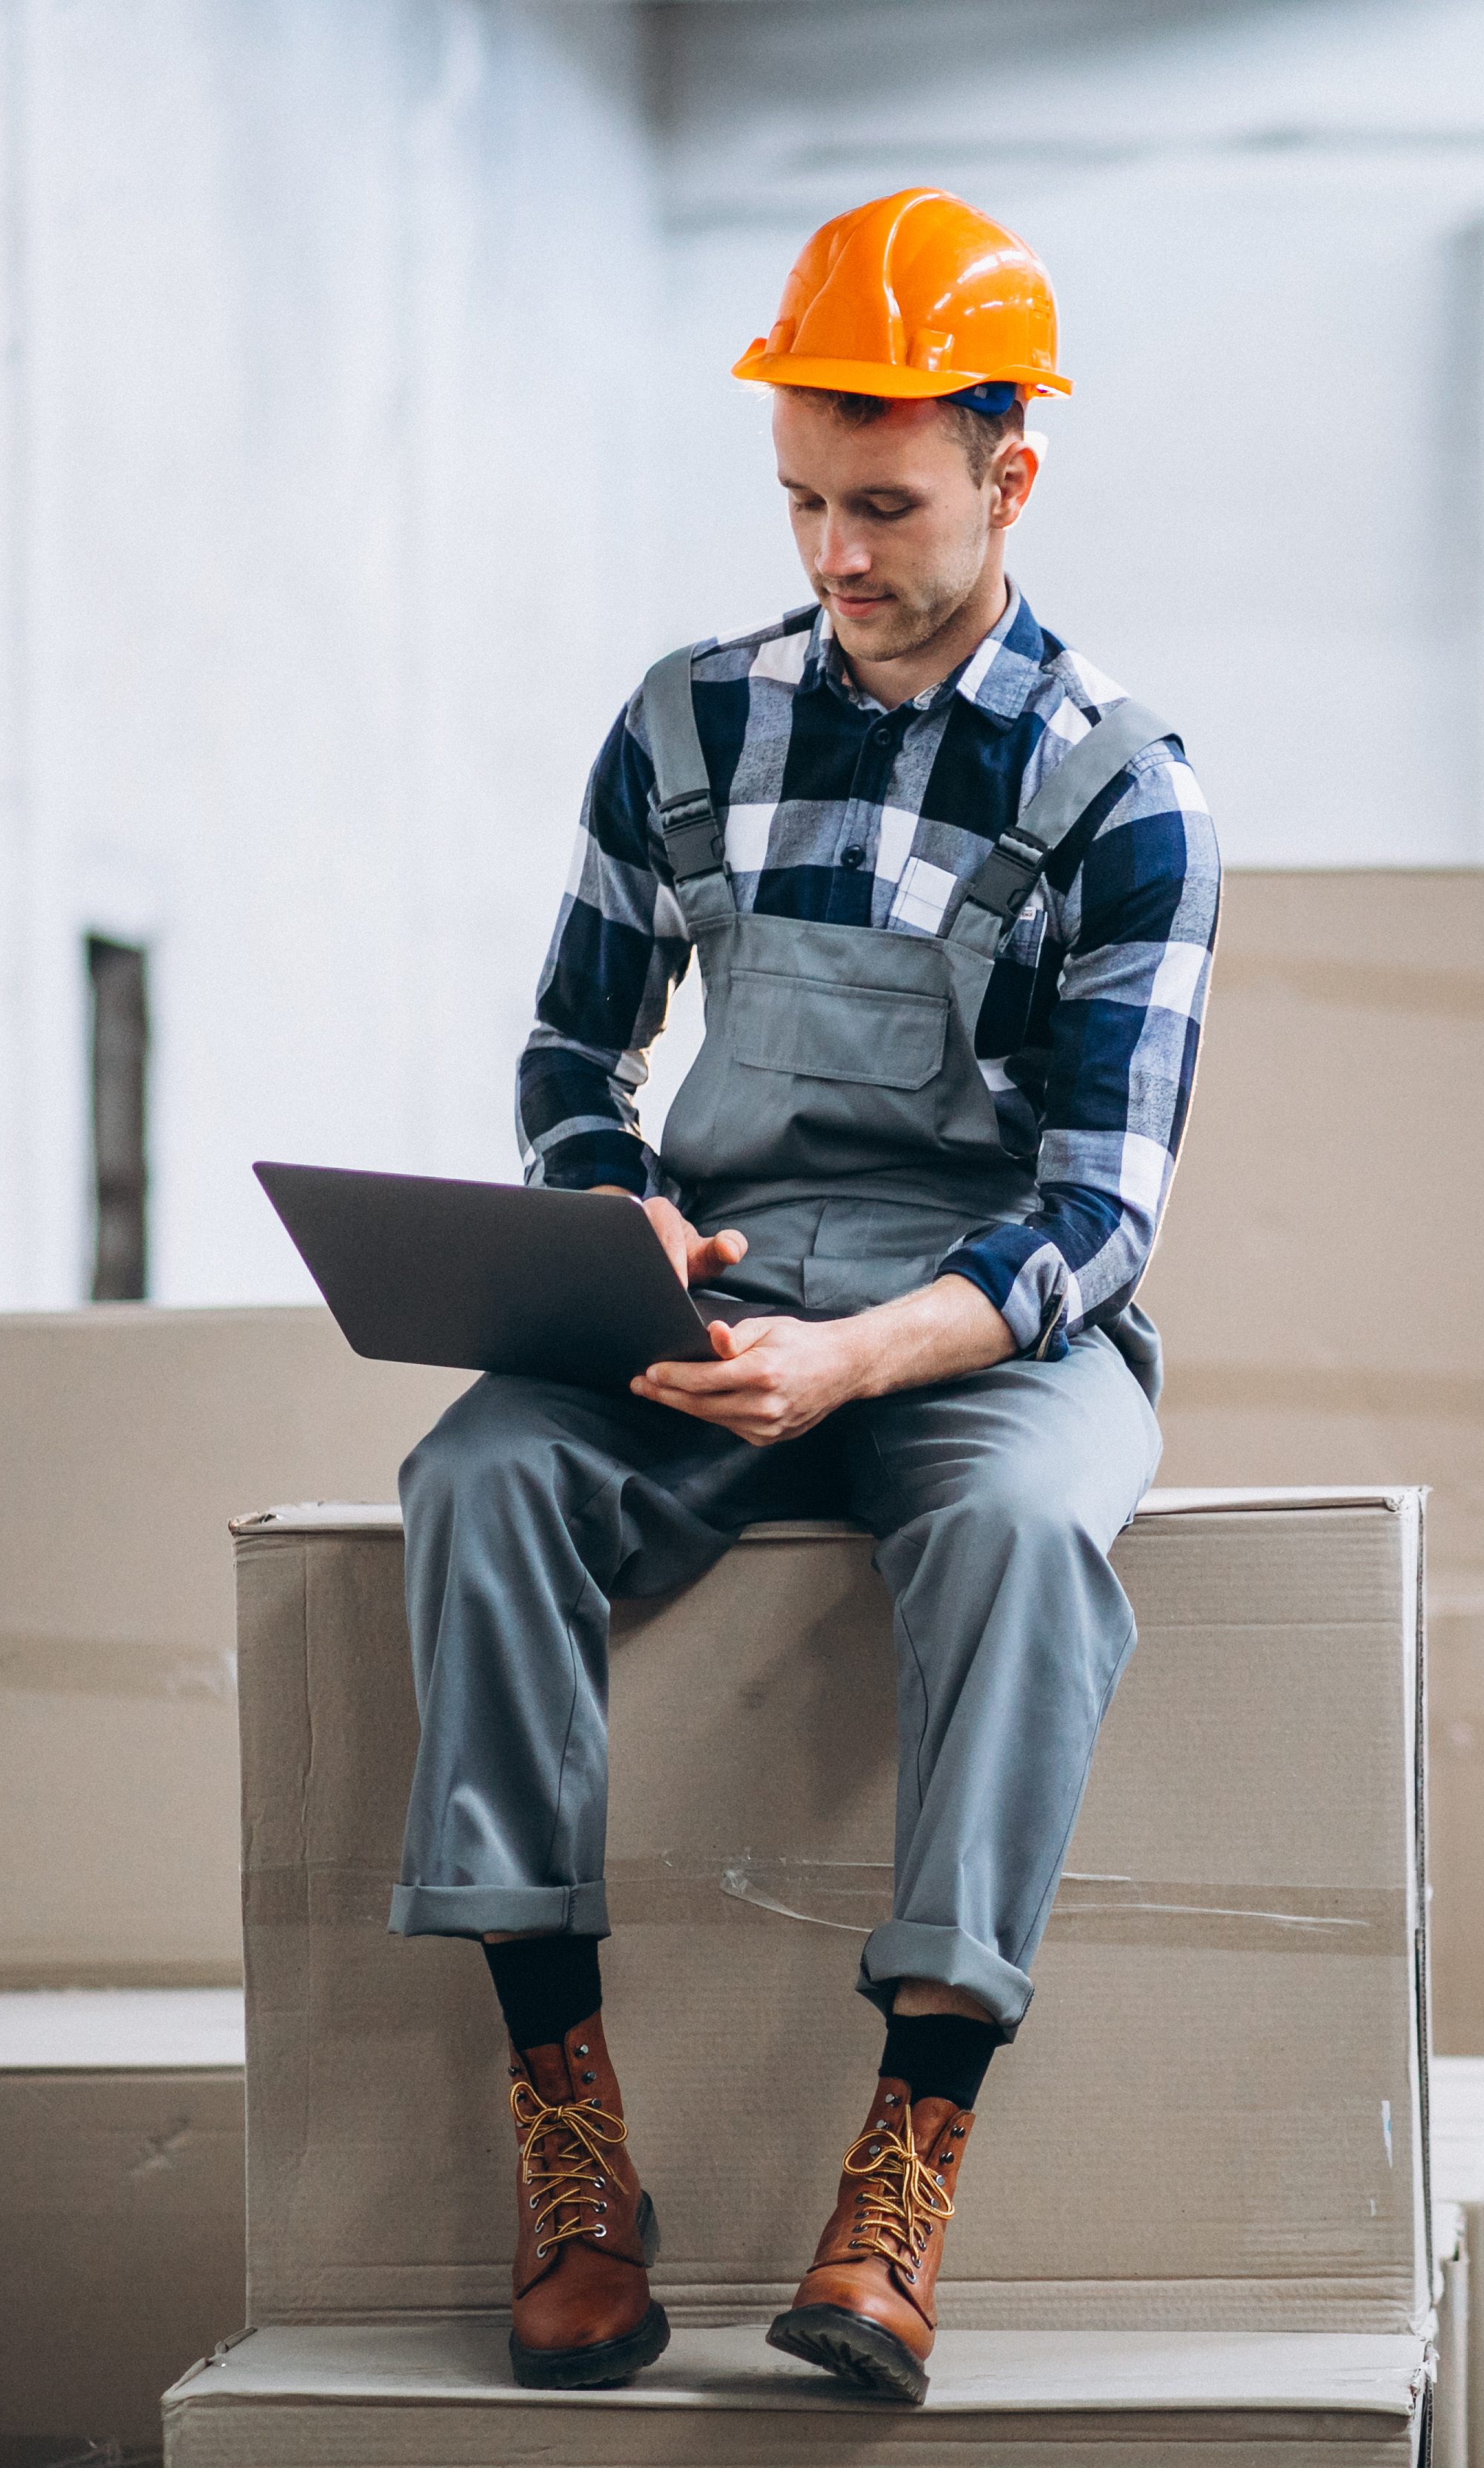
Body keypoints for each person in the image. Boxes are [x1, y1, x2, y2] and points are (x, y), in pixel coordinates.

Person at [386, 188, 1218, 2406]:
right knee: (472, 1476)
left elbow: (1099, 1213)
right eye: (800, 501)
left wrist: (869, 1353)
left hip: (982, 1332)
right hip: (716, 1294)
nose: (835, 555)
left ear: (1007, 473)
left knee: (1032, 1536)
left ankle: (906, 2157)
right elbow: (577, 1054)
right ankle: (574, 2154)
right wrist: (612, 1211)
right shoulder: (683, 726)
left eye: (885, 504)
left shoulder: (1122, 786)